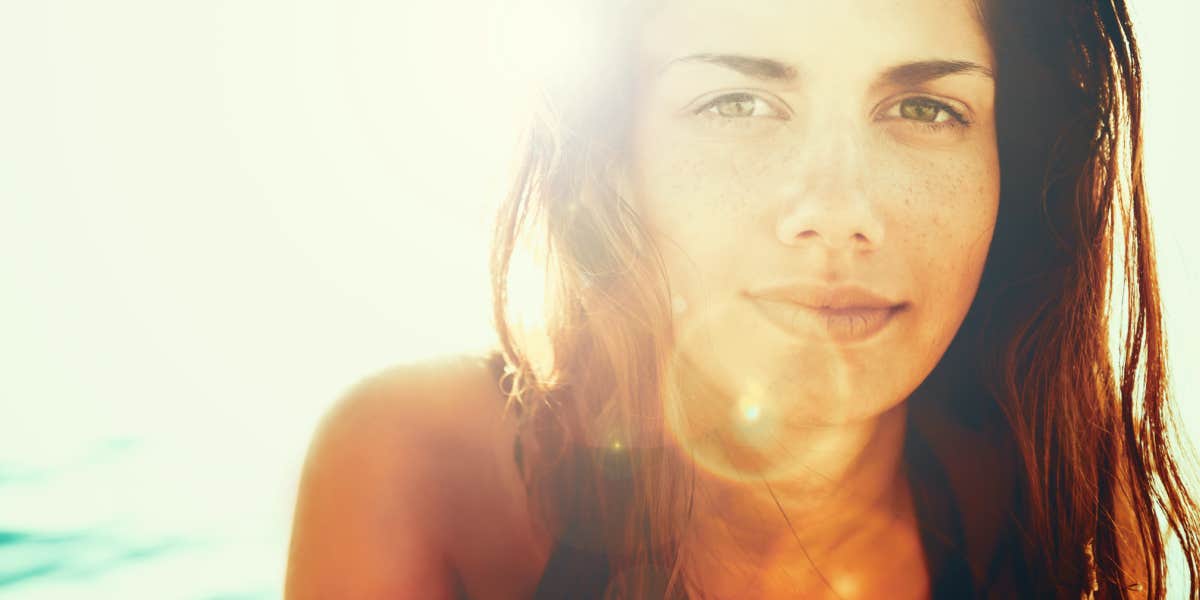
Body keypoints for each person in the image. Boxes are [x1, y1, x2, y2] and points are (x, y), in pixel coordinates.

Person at [284, 0, 1200, 598]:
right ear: (616, 156)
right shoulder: (429, 466)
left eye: (925, 110)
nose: (840, 215)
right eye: (736, 103)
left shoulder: (1061, 485)